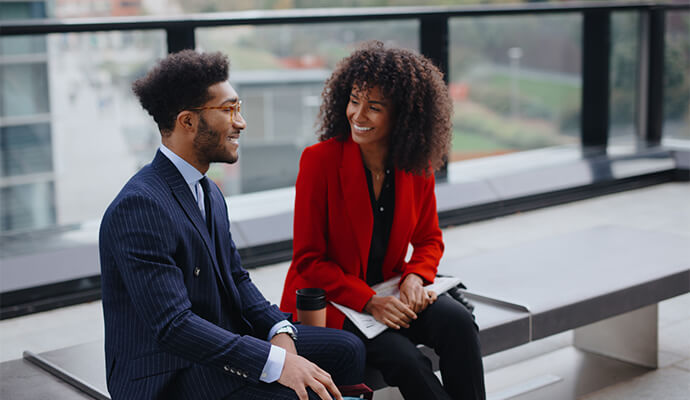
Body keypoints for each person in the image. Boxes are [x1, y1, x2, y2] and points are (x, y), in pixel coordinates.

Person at [99, 50, 365, 400]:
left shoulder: (207, 190)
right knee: (300, 394)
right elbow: (174, 327)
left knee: (348, 349)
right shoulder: (140, 206)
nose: (241, 122)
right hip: (168, 373)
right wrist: (276, 362)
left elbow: (236, 278)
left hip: (214, 341)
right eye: (229, 110)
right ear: (187, 122)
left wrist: (277, 328)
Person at [280, 41, 486, 400]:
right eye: (354, 100)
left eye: (374, 107)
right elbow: (308, 261)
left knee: (459, 323)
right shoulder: (319, 162)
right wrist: (369, 300)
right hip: (334, 302)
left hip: (391, 290)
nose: (358, 115)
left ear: (403, 115)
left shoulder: (416, 164)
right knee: (405, 359)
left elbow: (429, 240)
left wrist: (415, 277)